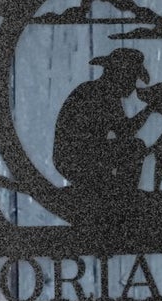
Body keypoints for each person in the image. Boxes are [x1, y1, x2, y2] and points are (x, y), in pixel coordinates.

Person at [51, 47, 152, 222]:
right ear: (119, 76)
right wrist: (151, 109)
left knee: (129, 150)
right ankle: (123, 201)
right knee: (135, 147)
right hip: (77, 158)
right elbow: (125, 132)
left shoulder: (101, 91)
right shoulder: (99, 94)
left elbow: (122, 130)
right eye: (131, 79)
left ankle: (117, 197)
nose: (133, 85)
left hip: (83, 156)